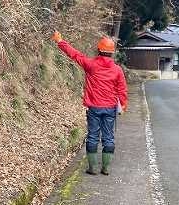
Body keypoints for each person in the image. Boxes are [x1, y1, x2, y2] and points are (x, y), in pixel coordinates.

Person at [51, 31, 128, 175]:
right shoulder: (117, 70)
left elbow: (74, 54)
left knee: (93, 136)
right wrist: (122, 105)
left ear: (99, 50)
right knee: (108, 137)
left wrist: (60, 41)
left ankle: (92, 168)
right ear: (112, 53)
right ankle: (105, 168)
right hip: (110, 108)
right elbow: (122, 89)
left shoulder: (91, 65)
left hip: (94, 107)